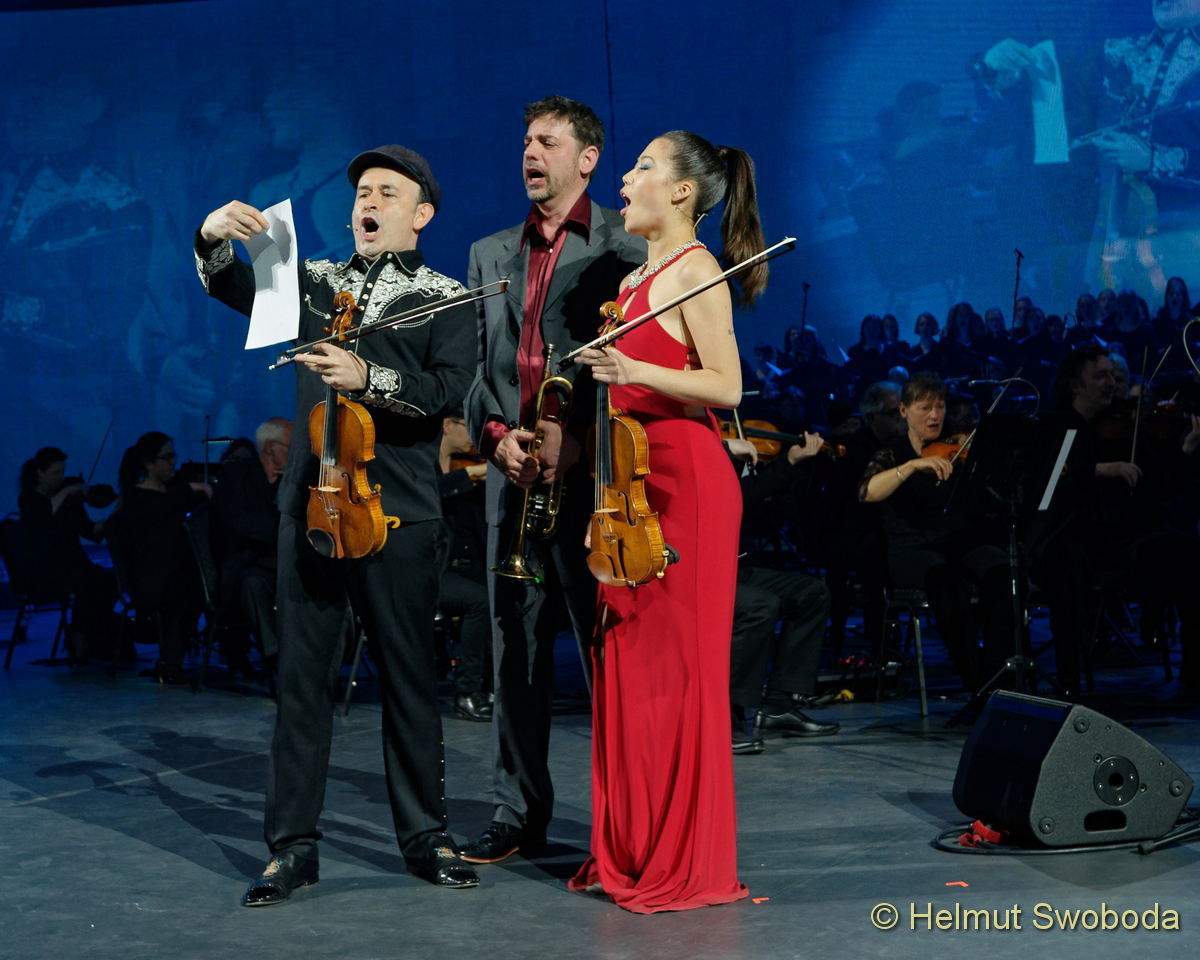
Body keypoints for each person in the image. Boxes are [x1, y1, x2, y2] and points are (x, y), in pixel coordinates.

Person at [194, 143, 480, 900]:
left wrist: (368, 375)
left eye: (387, 192)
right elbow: (229, 285)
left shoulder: (448, 298)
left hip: (398, 513)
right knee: (301, 683)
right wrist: (212, 236)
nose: (368, 202)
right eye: (362, 192)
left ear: (421, 214)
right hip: (314, 508)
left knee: (409, 680)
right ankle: (292, 846)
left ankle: (425, 837)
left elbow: (446, 393)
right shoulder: (314, 281)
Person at [568, 128, 766, 913]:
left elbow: (727, 386)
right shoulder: (632, 282)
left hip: (688, 487)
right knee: (629, 666)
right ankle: (635, 844)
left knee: (679, 677)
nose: (625, 178)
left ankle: (685, 857)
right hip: (632, 486)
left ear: (683, 190)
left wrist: (632, 365)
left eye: (643, 167)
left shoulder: (697, 270)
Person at [461, 96, 645, 864]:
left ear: (588, 158)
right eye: (526, 142)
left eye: (548, 142)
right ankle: (518, 812)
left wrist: (582, 440)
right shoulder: (489, 253)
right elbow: (478, 372)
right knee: (516, 653)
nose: (531, 153)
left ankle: (622, 824)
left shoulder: (627, 246)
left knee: (609, 655)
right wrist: (495, 438)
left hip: (593, 483)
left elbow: (640, 371)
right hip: (514, 481)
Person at [858, 373, 1016, 695]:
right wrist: (912, 467)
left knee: (1004, 572)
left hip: (954, 543)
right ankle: (977, 683)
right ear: (904, 411)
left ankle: (997, 676)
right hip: (911, 550)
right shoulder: (892, 453)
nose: (934, 415)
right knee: (948, 584)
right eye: (925, 408)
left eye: (940, 407)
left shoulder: (954, 449)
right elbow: (867, 491)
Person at [724, 436, 838, 755]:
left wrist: (789, 463)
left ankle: (778, 705)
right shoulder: (694, 442)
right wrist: (723, 449)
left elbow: (748, 499)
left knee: (811, 593)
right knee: (761, 605)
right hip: (696, 571)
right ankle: (727, 716)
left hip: (733, 566)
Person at [107, 432, 209, 683]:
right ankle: (171, 662)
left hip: (169, 574)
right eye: (167, 457)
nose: (173, 462)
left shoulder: (170, 494)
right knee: (186, 590)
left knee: (196, 583)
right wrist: (193, 488)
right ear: (149, 464)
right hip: (149, 580)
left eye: (174, 456)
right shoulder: (139, 499)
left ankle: (174, 659)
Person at [16, 447, 117, 659]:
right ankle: (80, 637)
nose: (61, 477)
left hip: (76, 564)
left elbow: (91, 531)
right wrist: (67, 491)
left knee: (109, 581)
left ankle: (90, 636)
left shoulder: (69, 501)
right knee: (89, 583)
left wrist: (115, 516)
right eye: (56, 473)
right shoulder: (29, 499)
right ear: (40, 473)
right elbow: (44, 516)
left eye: (62, 472)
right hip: (47, 569)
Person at [210, 417, 292, 680]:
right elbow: (239, 523)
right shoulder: (236, 476)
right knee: (253, 584)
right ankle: (274, 657)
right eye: (291, 447)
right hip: (245, 563)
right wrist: (284, 530)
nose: (297, 453)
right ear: (270, 448)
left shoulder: (292, 481)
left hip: (282, 561)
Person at [436, 412, 491, 721]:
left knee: (500, 591)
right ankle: (467, 692)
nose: (475, 435)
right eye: (468, 426)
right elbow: (433, 491)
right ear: (448, 425)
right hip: (429, 571)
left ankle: (493, 686)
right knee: (479, 601)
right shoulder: (424, 467)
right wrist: (474, 473)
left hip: (460, 567)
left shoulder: (467, 475)